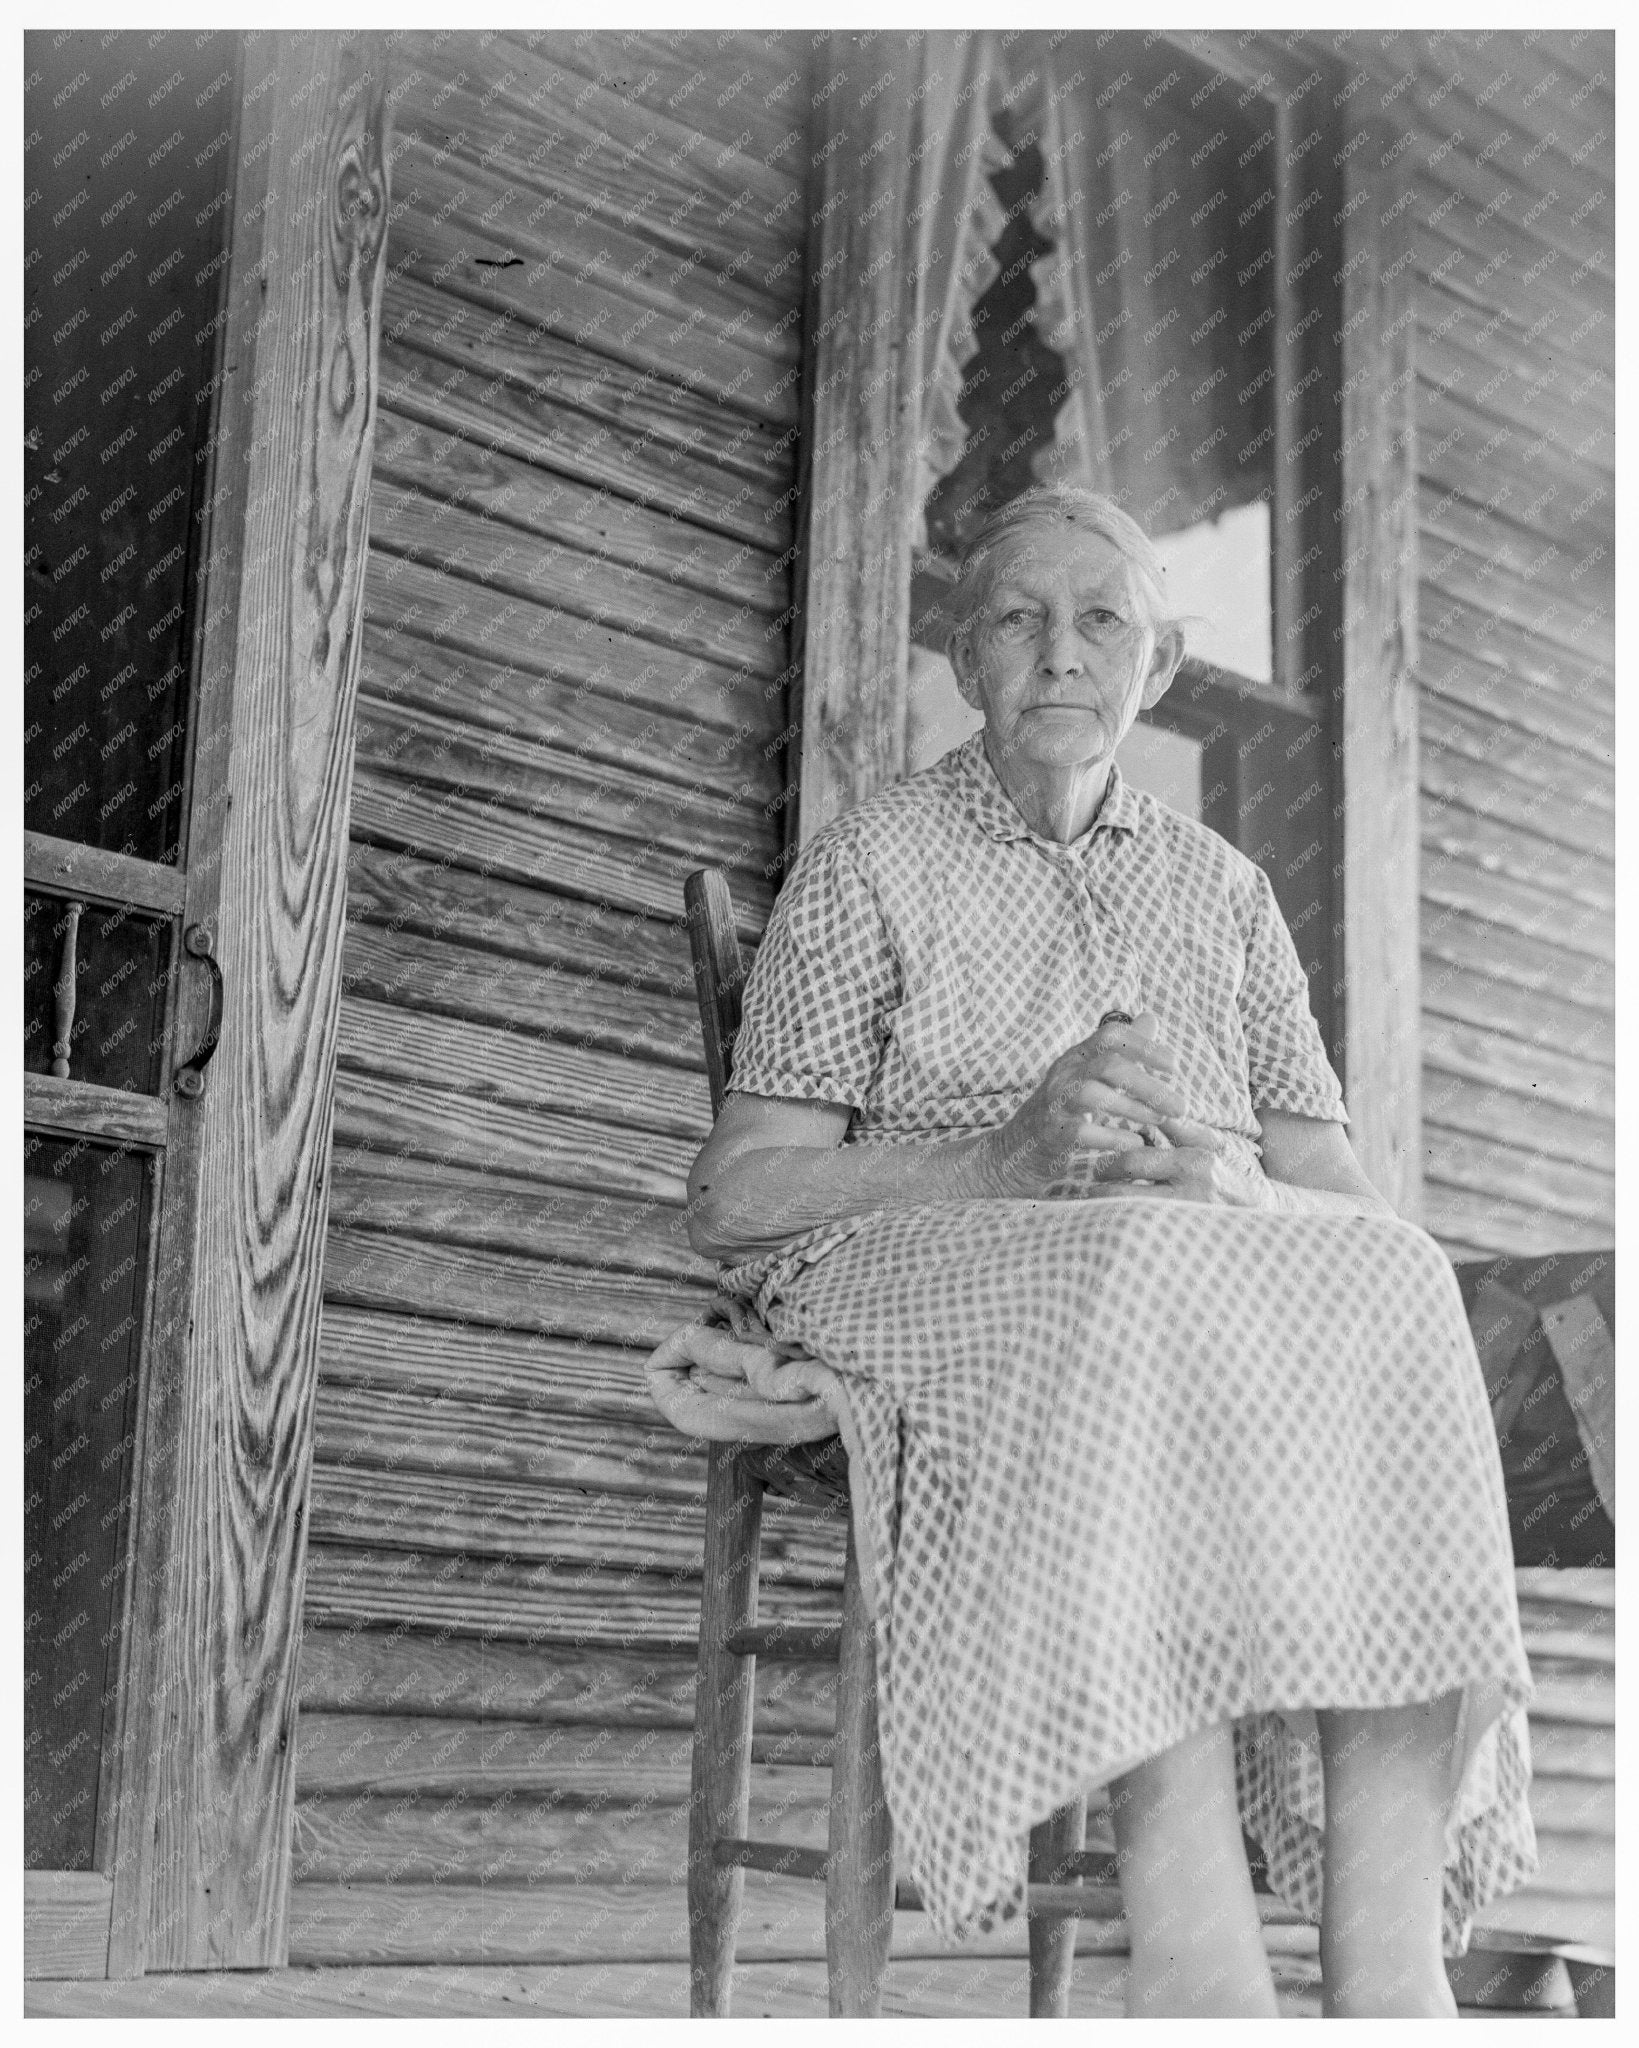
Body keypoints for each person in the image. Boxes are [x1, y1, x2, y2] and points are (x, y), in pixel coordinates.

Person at [685, 485, 1537, 2018]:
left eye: (1103, 621)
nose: (1061, 654)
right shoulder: (870, 862)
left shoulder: (1222, 892)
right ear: (963, 657)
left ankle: (1387, 1964)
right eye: (1019, 618)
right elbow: (736, 1200)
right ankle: (1197, 1955)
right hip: (922, 1257)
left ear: (1158, 660)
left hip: (1177, 1285)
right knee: (1133, 1266)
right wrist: (1003, 1161)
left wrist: (1229, 1185)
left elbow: (1343, 1196)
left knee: (1397, 1280)